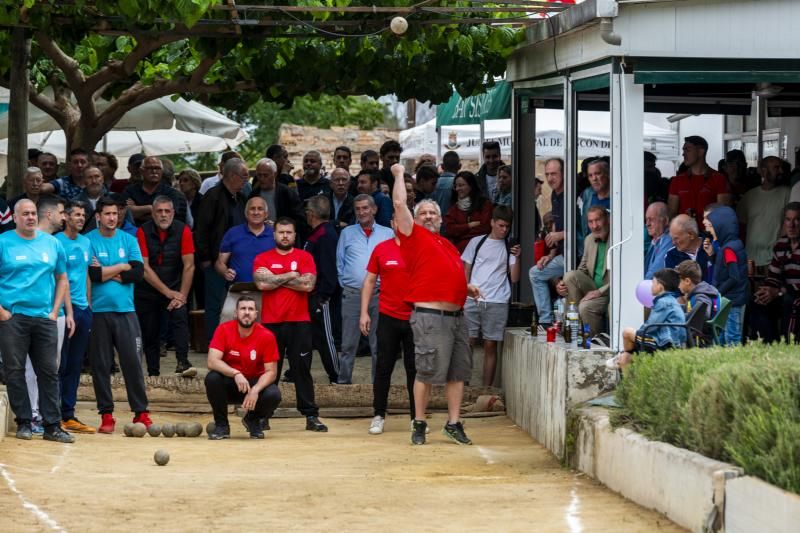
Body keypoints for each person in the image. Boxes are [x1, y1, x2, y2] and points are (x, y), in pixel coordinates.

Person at [391, 164, 480, 446]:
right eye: (423, 213)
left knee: (458, 373)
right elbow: (398, 202)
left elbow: (444, 275)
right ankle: (419, 422)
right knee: (427, 371)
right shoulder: (413, 237)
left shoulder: (447, 245)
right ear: (414, 220)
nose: (429, 216)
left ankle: (454, 423)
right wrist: (397, 174)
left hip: (456, 316)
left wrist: (467, 287)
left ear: (440, 219)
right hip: (430, 316)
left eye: (433, 213)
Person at [0, 199, 74, 443]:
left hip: (44, 318)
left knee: (49, 372)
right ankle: (23, 422)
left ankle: (52, 425)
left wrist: (55, 312)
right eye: (25, 214)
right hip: (13, 317)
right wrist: (2, 311)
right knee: (15, 371)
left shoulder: (52, 244)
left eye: (33, 213)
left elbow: (62, 278)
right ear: (16, 218)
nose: (31, 217)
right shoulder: (3, 242)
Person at [253, 218, 328, 432]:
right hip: (270, 323)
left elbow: (308, 285)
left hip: (300, 322)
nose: (285, 236)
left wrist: (275, 278)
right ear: (274, 234)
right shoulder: (262, 258)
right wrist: (290, 275)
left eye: (289, 232)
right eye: (281, 232)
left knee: (301, 369)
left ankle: (311, 416)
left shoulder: (305, 256)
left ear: (295, 235)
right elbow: (261, 283)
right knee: (269, 371)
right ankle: (262, 415)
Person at [86, 197, 152, 433]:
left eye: (115, 213)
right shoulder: (88, 241)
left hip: (126, 311)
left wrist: (108, 272)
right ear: (98, 216)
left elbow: (138, 273)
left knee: (133, 362)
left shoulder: (129, 239)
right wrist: (122, 266)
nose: (112, 218)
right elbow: (93, 275)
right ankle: (106, 415)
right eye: (107, 214)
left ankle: (141, 412)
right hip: (99, 312)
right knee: (101, 365)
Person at [360, 215, 416, 435]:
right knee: (383, 368)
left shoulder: (420, 249)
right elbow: (370, 281)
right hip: (388, 316)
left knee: (414, 370)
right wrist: (364, 312)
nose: (401, 225)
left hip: (415, 318)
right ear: (392, 224)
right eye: (397, 221)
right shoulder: (382, 248)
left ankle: (417, 418)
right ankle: (378, 415)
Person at [205, 296, 282, 440]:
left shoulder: (267, 335)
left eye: (250, 309)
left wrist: (255, 390)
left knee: (274, 394)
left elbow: (271, 372)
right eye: (243, 309)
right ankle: (222, 425)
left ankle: (252, 420)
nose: (247, 312)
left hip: (253, 385)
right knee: (212, 378)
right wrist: (235, 373)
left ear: (256, 314)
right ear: (236, 313)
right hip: (231, 384)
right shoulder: (223, 329)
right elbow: (212, 361)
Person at [135, 196, 196, 378]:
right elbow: (144, 268)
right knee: (150, 331)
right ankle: (153, 373)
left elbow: (189, 266)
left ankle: (183, 363)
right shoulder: (142, 232)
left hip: (176, 286)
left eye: (167, 211)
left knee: (180, 319)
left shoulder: (183, 230)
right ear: (152, 214)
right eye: (159, 211)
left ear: (173, 213)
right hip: (148, 289)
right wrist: (168, 293)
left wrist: (181, 296)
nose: (163, 215)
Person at [335, 194, 393, 384]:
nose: (361, 212)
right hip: (352, 294)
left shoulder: (387, 233)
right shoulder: (347, 233)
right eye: (358, 209)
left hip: (380, 295)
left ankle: (378, 385)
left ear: (374, 209)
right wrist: (347, 284)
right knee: (348, 344)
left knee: (379, 344)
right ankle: (344, 383)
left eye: (365, 208)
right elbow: (340, 262)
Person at [461, 205, 520, 386]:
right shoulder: (477, 242)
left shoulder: (509, 246)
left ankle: (486, 389)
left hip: (497, 301)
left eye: (507, 227)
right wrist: (464, 293)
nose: (504, 230)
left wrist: (517, 257)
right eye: (501, 225)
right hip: (473, 298)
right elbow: (466, 269)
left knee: (490, 344)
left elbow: (515, 278)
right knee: (466, 343)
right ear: (492, 222)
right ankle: (463, 386)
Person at [194, 158, 248, 341]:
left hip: (238, 261)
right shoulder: (213, 195)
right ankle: (213, 343)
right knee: (215, 305)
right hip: (215, 260)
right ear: (232, 176)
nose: (246, 180)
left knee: (237, 302)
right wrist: (206, 260)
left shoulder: (240, 197)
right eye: (244, 176)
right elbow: (201, 229)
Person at [55, 200, 95, 434]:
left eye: (83, 215)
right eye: (76, 214)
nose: (81, 218)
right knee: (59, 363)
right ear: (66, 217)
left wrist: (88, 304)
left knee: (76, 363)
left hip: (82, 310)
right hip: (61, 310)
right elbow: (59, 279)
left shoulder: (86, 242)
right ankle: (54, 413)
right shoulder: (56, 242)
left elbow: (86, 274)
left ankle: (68, 415)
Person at [606, 268, 687, 369]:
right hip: (671, 341)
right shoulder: (672, 301)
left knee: (627, 332)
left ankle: (622, 355)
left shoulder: (663, 302)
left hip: (663, 343)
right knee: (626, 356)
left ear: (660, 287)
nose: (651, 286)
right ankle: (624, 356)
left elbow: (650, 326)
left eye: (653, 283)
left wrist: (638, 334)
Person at [303, 195, 341, 385]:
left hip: (320, 297)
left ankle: (336, 375)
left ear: (311, 214)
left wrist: (323, 297)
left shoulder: (324, 235)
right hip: (311, 295)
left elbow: (328, 269)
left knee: (325, 338)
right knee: (306, 337)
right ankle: (298, 371)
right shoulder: (319, 233)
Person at [556, 206, 610, 336]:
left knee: (585, 307)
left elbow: (624, 276)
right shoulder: (589, 239)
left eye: (598, 220)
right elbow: (582, 270)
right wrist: (563, 285)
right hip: (592, 287)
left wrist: (600, 291)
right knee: (569, 276)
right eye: (590, 222)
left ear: (607, 220)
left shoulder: (617, 239)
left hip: (610, 291)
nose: (594, 226)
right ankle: (572, 329)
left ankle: (593, 343)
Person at [704, 205, 749, 345]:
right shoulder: (731, 245)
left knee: (732, 339)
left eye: (712, 227)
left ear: (722, 227)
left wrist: (717, 292)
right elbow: (724, 268)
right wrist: (712, 255)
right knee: (722, 337)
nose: (710, 231)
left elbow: (734, 277)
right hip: (730, 300)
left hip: (732, 302)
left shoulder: (729, 249)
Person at [755, 202, 800, 341]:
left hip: (795, 294)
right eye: (788, 219)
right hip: (785, 292)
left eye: (796, 220)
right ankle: (767, 343)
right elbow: (773, 276)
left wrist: (779, 291)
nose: (791, 225)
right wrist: (767, 290)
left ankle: (788, 343)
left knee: (790, 300)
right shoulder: (780, 245)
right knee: (758, 300)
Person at [529, 158, 565, 328]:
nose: (550, 178)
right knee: (536, 272)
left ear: (564, 174)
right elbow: (557, 228)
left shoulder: (571, 194)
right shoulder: (555, 195)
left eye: (554, 174)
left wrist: (561, 235)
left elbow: (584, 230)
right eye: (548, 174)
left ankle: (546, 320)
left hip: (578, 256)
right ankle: (545, 321)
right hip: (563, 254)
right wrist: (550, 255)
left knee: (538, 275)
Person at [737, 156, 791, 270]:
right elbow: (741, 227)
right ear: (764, 170)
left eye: (781, 167)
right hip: (750, 259)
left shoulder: (787, 193)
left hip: (775, 259)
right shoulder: (749, 196)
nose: (781, 171)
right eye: (776, 168)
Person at [668, 135, 731, 224]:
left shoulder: (719, 179)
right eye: (683, 150)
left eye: (687, 150)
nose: (683, 153)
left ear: (701, 152)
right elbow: (671, 213)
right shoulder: (677, 180)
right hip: (684, 235)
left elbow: (724, 215)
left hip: (710, 235)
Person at [215, 197, 276, 285]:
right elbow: (219, 263)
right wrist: (225, 272)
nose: (256, 212)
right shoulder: (233, 233)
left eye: (260, 209)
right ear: (246, 213)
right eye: (252, 209)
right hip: (239, 289)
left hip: (269, 289)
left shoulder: (275, 234)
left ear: (266, 214)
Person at [122, 156, 188, 225]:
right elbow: (126, 213)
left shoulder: (171, 193)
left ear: (162, 171)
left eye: (157, 168)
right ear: (141, 171)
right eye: (150, 168)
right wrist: (149, 208)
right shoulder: (130, 190)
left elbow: (167, 217)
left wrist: (138, 211)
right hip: (135, 233)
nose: (154, 171)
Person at [443, 171, 493, 253]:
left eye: (461, 185)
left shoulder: (485, 204)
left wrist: (459, 233)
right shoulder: (454, 208)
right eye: (456, 186)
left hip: (481, 250)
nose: (457, 189)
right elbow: (449, 230)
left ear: (471, 186)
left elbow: (485, 228)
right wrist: (468, 225)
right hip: (460, 252)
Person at [249, 158, 305, 226]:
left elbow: (300, 218)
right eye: (259, 175)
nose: (262, 178)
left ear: (275, 174)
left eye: (265, 175)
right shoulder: (253, 195)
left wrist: (279, 226)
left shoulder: (287, 193)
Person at [664, 214, 713, 283]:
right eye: (672, 238)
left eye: (676, 238)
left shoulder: (712, 246)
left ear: (691, 235)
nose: (673, 243)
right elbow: (673, 287)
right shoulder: (671, 255)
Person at [577, 159, 611, 257]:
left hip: (611, 250)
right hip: (591, 252)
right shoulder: (585, 195)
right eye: (590, 175)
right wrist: (583, 252)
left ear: (607, 174)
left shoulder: (618, 196)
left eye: (597, 173)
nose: (594, 178)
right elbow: (578, 225)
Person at [644, 202, 672, 280]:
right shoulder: (655, 240)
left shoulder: (669, 239)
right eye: (646, 219)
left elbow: (654, 273)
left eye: (651, 219)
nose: (647, 224)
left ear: (666, 221)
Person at [327, 167, 355, 232]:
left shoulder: (354, 202)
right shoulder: (323, 200)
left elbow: (351, 226)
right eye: (337, 180)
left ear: (349, 183)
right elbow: (319, 222)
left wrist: (330, 223)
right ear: (331, 184)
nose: (341, 183)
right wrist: (337, 223)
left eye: (344, 180)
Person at [433, 150, 460, 216]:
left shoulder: (432, 184)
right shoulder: (460, 185)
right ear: (459, 166)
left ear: (442, 166)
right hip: (453, 224)